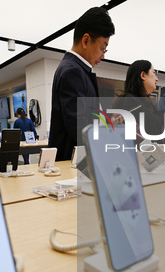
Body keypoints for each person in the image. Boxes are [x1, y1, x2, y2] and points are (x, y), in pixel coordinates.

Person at [48, 7, 115, 161]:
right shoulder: (72, 71)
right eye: (102, 48)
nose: (103, 56)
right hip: (71, 165)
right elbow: (80, 129)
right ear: (86, 40)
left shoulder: (77, 70)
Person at [112, 59, 165, 144]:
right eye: (154, 73)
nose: (156, 79)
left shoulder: (147, 103)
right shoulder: (129, 101)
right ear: (143, 75)